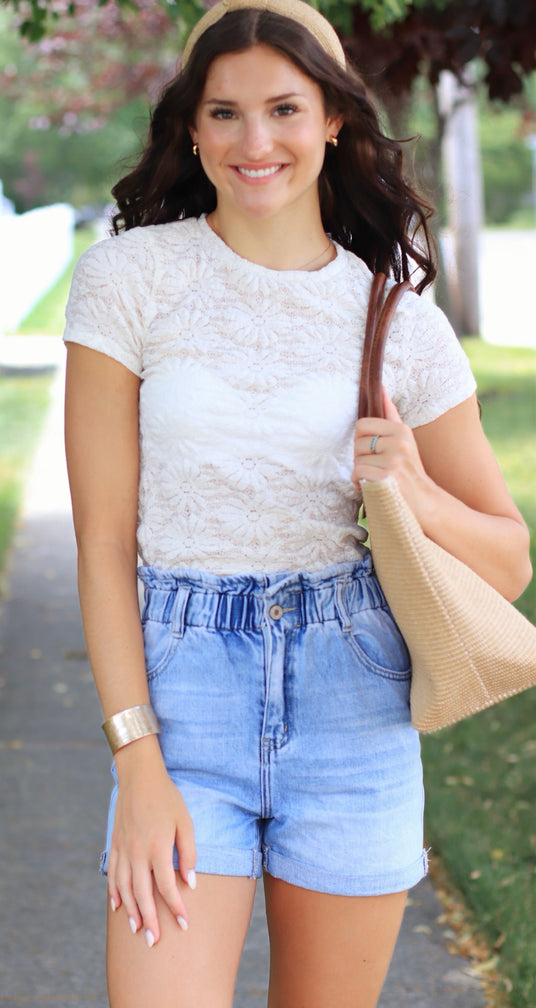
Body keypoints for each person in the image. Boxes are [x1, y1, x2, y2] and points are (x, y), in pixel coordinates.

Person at [63, 1, 532, 1004]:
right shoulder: (127, 284)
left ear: (332, 120)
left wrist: (412, 487)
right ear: (190, 129)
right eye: (224, 114)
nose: (255, 141)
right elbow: (102, 543)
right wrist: (137, 762)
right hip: (184, 705)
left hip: (353, 702)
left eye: (284, 108)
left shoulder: (400, 324)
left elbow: (507, 559)